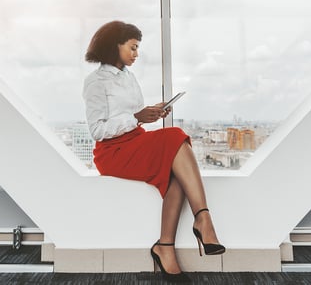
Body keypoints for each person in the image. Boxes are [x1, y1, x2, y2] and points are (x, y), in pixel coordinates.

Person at [82, 20, 225, 282]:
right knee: (176, 136)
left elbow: (130, 115)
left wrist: (152, 111)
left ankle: (165, 248)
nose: (137, 54)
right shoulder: (95, 82)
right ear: (114, 46)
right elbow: (97, 130)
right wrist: (137, 116)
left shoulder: (128, 76)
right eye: (133, 47)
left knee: (177, 178)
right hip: (113, 151)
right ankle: (203, 220)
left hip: (136, 141)